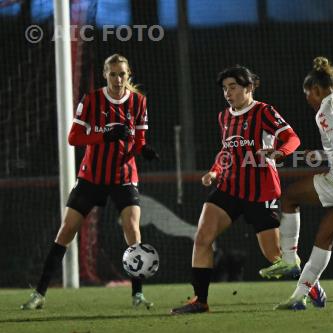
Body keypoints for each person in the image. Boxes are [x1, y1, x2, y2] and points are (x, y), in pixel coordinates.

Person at [21, 54, 160, 310]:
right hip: (91, 176)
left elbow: (139, 139)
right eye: (113, 74)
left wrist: (145, 150)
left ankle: (137, 295)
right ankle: (39, 294)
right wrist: (105, 134)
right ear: (105, 75)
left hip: (124, 177)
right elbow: (74, 138)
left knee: (132, 228)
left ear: (129, 75)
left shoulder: (139, 102)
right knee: (66, 231)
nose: (118, 79)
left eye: (122, 74)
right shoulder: (92, 100)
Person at [170, 65, 301, 315]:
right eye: (225, 88)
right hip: (228, 187)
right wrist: (214, 171)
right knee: (202, 237)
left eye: (233, 87)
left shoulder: (264, 112)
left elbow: (293, 138)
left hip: (261, 190)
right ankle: (200, 301)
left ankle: (311, 288)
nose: (228, 93)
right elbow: (226, 152)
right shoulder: (224, 117)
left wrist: (280, 152)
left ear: (249, 87)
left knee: (275, 256)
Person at [260, 56, 333, 310]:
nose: (308, 101)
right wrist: (324, 155)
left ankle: (290, 260)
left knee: (290, 197)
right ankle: (298, 298)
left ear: (316, 90)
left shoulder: (325, 111)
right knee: (325, 235)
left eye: (307, 95)